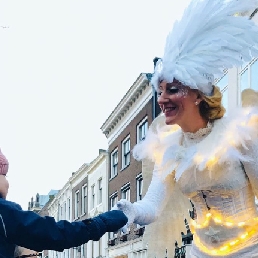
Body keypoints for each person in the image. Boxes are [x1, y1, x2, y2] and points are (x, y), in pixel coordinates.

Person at [114, 0, 258, 257]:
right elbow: (153, 205)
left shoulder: (239, 136)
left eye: (173, 89)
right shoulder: (168, 149)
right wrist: (133, 212)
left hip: (249, 250)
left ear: (198, 94)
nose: (162, 99)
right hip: (200, 252)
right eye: (160, 91)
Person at [0, 150, 128, 258]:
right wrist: (100, 223)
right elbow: (53, 233)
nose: (8, 183)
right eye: (5, 175)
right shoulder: (4, 214)